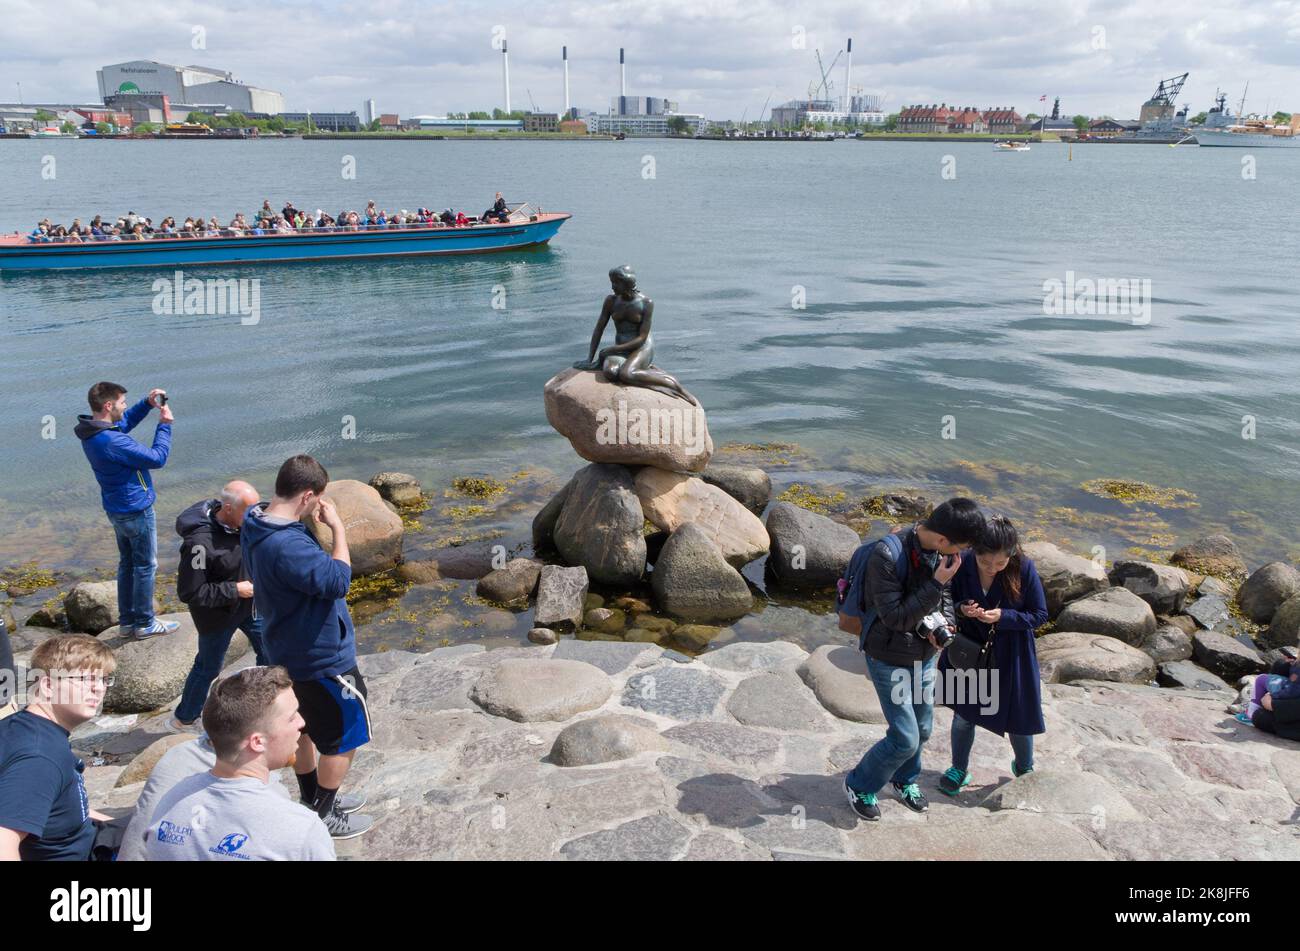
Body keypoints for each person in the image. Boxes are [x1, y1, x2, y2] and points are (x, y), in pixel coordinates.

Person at [242, 455, 374, 838]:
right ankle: (323, 814)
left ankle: (312, 796)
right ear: (308, 496)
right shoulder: (287, 546)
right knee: (345, 736)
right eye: (318, 499)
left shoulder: (256, 520)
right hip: (321, 658)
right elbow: (337, 581)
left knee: (303, 728)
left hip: (283, 647)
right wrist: (338, 529)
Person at [842, 498, 985, 821]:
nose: (961, 554)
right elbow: (894, 617)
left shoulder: (940, 553)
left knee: (922, 728)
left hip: (923, 655)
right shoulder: (887, 554)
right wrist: (937, 582)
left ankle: (904, 779)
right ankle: (859, 783)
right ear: (943, 538)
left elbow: (945, 600)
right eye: (960, 546)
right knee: (904, 737)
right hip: (888, 656)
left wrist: (946, 624)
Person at [142, 666, 337, 861]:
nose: (302, 722)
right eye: (292, 717)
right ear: (257, 742)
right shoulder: (300, 829)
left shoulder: (172, 800)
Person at [937, 515, 1048, 795]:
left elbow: (1039, 614)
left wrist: (1004, 616)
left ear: (1011, 554)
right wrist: (962, 609)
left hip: (1012, 653)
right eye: (985, 562)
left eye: (1000, 563)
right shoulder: (960, 561)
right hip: (970, 649)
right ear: (974, 551)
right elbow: (944, 598)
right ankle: (958, 768)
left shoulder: (1024, 567)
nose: (993, 568)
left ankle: (1024, 766)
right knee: (964, 715)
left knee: (1019, 718)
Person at [75, 382, 179, 639]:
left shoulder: (94, 432)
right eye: (122, 402)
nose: (124, 406)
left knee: (127, 564)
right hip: (136, 510)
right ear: (108, 405)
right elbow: (157, 458)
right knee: (145, 565)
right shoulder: (111, 441)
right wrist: (164, 425)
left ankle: (127, 621)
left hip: (117, 508)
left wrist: (146, 404)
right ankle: (144, 623)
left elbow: (124, 422)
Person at [0, 635, 116, 860]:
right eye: (85, 678)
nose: (99, 689)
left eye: (104, 679)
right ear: (48, 685)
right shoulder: (40, 758)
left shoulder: (19, 726)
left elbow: (54, 810)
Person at [168, 481, 270, 732]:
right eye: (249, 511)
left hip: (250, 607)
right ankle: (184, 718)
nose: (256, 515)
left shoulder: (249, 520)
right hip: (216, 615)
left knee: (270, 650)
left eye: (257, 508)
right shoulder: (199, 544)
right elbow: (190, 592)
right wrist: (235, 589)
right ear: (227, 508)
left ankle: (259, 705)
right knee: (208, 667)